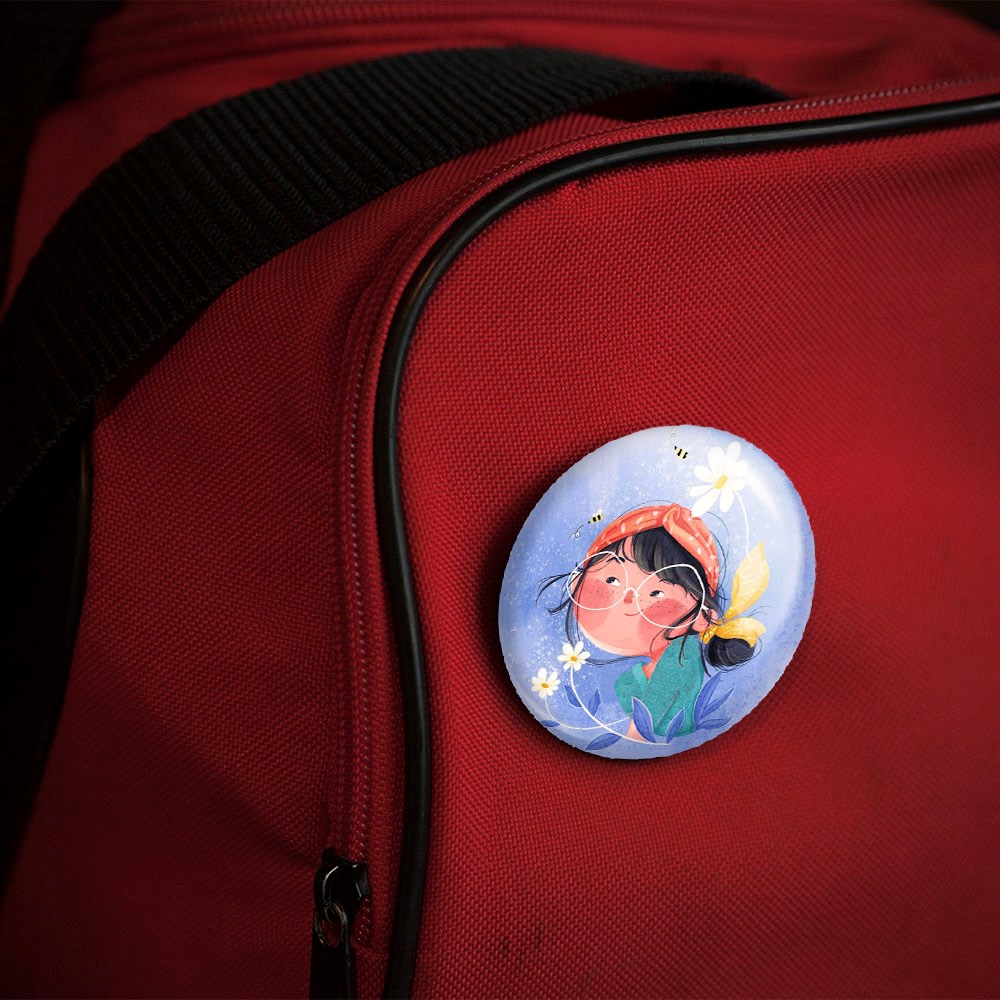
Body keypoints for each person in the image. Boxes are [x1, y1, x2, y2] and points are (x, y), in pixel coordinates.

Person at [540, 503, 767, 741]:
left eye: (656, 593)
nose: (628, 599)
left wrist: (634, 737)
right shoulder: (664, 661)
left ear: (702, 617)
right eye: (612, 579)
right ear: (578, 579)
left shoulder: (679, 659)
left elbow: (642, 728)